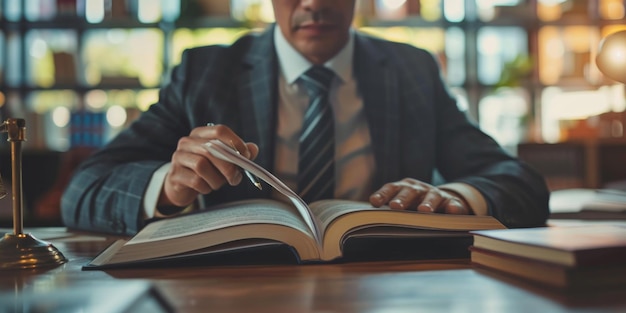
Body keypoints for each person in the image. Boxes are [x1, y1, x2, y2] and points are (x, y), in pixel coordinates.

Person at [61, 0, 550, 236]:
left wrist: (455, 197)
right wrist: (168, 186)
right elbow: (84, 190)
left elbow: (518, 180)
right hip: (233, 291)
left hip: (389, 288)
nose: (313, 4)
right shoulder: (207, 72)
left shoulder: (410, 70)